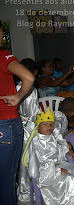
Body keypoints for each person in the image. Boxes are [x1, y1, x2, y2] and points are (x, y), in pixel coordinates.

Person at [0, 19, 35, 205]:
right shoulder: (2, 56)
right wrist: (18, 96)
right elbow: (28, 77)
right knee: (5, 179)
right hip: (5, 123)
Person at [23, 108, 74, 205]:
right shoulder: (36, 142)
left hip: (56, 165)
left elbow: (58, 150)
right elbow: (40, 162)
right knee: (68, 179)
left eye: (51, 124)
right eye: (45, 124)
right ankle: (68, 202)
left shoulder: (51, 138)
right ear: (37, 127)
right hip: (45, 172)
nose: (49, 127)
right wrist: (57, 170)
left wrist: (67, 150)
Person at [15, 58, 40, 203]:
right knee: (29, 159)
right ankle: (26, 190)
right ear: (34, 72)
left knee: (22, 159)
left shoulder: (17, 87)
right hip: (29, 127)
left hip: (19, 125)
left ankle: (23, 187)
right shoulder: (30, 90)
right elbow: (34, 112)